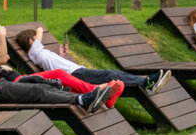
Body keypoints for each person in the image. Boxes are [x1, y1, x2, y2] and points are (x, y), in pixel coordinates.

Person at [0, 20, 118, 111]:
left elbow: (2, 59)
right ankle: (82, 100)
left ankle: (90, 94)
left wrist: (0, 39)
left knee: (41, 84)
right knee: (37, 91)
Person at [15, 28, 172, 96]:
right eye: (35, 39)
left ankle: (147, 83)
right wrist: (37, 34)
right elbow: (40, 29)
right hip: (77, 74)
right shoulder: (34, 51)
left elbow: (53, 64)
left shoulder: (39, 53)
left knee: (113, 75)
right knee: (112, 74)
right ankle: (147, 82)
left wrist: (61, 56)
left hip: (77, 72)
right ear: (31, 41)